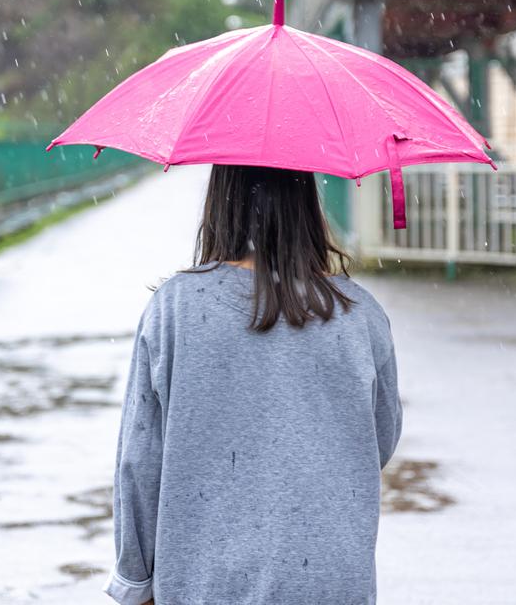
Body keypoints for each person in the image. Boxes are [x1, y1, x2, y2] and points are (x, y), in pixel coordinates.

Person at [104, 164, 402, 605]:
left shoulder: (174, 311)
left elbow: (140, 460)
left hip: (204, 582)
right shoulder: (361, 314)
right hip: (330, 583)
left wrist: (135, 580)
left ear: (221, 199)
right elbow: (377, 439)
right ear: (307, 202)